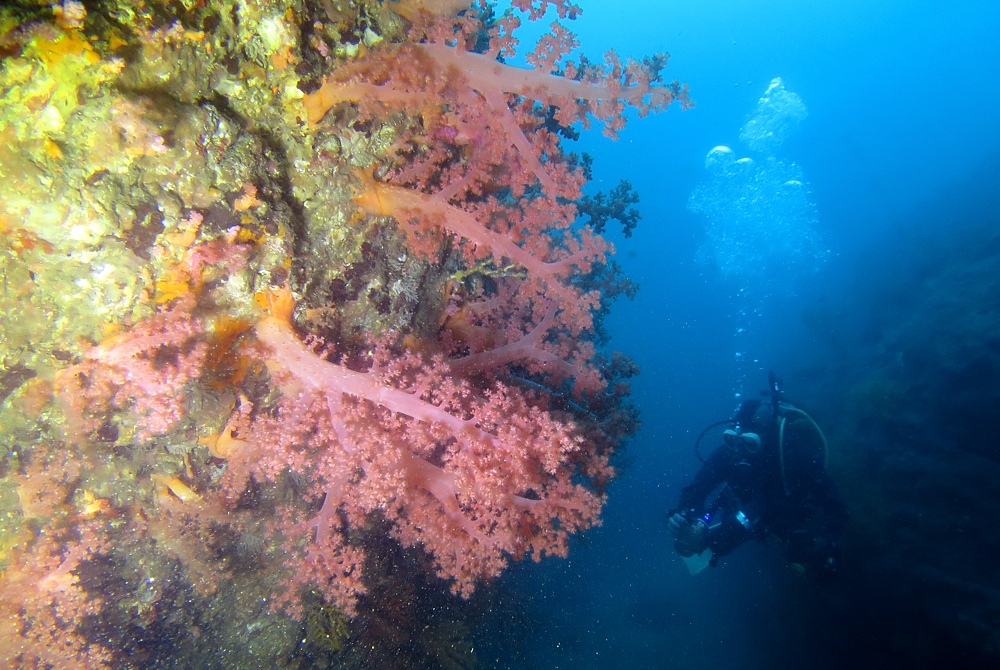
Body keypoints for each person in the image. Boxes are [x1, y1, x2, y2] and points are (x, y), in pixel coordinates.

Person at [666, 373, 846, 581]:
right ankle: (719, 531)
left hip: (788, 510)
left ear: (765, 439)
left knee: (779, 535)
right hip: (748, 506)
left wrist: (829, 545)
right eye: (732, 440)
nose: (740, 450)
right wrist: (683, 512)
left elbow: (836, 507)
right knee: (730, 524)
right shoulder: (730, 451)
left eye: (750, 444)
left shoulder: (792, 454)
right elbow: (698, 487)